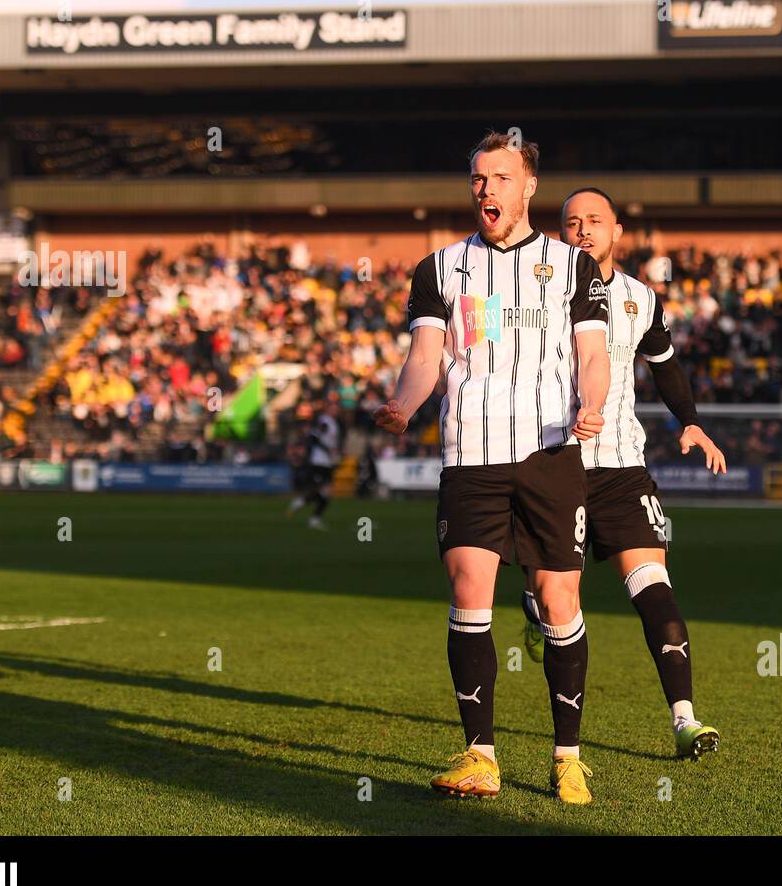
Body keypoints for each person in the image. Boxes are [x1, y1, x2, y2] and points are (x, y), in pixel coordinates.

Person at [374, 131, 610, 803]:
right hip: (470, 452)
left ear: (529, 186)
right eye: (479, 178)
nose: (487, 190)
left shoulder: (572, 267)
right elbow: (427, 354)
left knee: (559, 598)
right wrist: (404, 403)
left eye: (501, 178)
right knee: (469, 589)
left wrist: (592, 405)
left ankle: (567, 756)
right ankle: (481, 754)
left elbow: (593, 356)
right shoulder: (441, 267)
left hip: (550, 451)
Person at [520, 187, 726, 759]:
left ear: (616, 233)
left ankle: (685, 720)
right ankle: (536, 609)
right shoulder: (536, 292)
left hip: (621, 469)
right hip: (553, 465)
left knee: (654, 589)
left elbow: (665, 367)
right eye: (570, 222)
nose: (581, 229)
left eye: (594, 221)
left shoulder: (641, 298)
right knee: (556, 597)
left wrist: (690, 421)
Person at [287, 400, 341, 529]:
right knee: (324, 491)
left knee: (324, 492)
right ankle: (313, 518)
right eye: (333, 407)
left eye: (336, 408)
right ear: (328, 408)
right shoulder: (325, 421)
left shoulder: (332, 422)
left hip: (327, 462)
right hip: (319, 461)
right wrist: (328, 449)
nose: (336, 410)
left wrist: (334, 450)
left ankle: (302, 502)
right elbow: (315, 436)